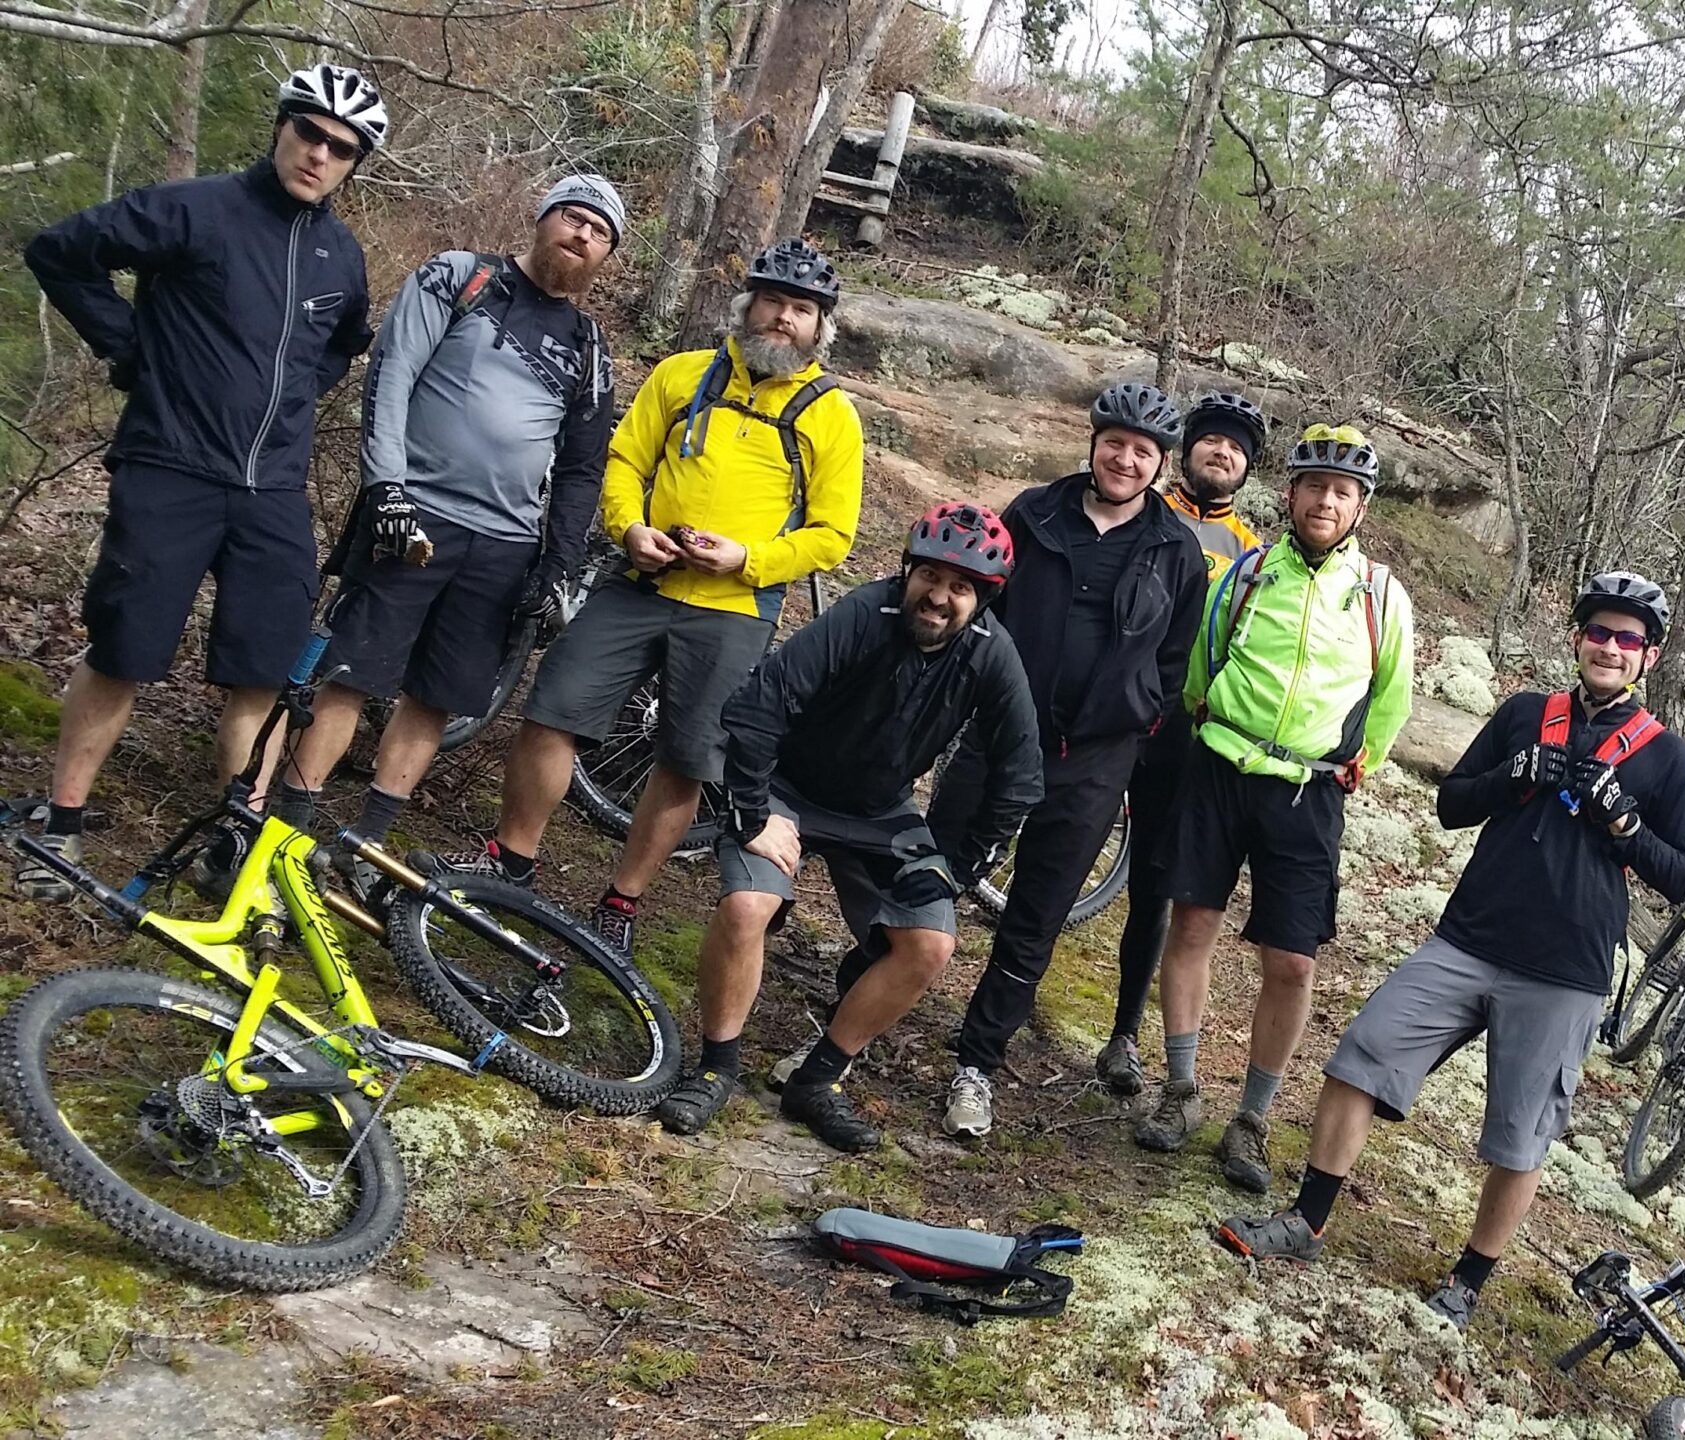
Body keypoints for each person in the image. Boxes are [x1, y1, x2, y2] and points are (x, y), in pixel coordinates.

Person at [1212, 572, 1685, 1331]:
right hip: (1468, 939)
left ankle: (1468, 1283)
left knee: (1520, 1135)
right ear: (1578, 639)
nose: (1609, 647)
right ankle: (1306, 1223)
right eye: (1599, 633)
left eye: (1627, 639)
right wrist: (1513, 777)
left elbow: (1683, 877)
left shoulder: (1665, 759)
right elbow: (1449, 805)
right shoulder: (1523, 715)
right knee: (1360, 1058)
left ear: (1650, 657)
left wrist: (1626, 826)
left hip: (1566, 970)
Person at [17, 63, 384, 895]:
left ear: (355, 163)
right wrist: (130, 348)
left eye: (342, 148)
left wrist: (293, 398)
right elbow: (61, 253)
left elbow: (342, 343)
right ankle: (63, 823)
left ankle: (237, 842)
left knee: (264, 668)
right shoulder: (197, 208)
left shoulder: (340, 253)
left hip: (273, 491)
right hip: (171, 465)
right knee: (126, 649)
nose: (320, 155)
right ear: (282, 127)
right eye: (310, 133)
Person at [435, 238, 863, 952]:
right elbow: (626, 460)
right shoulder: (683, 376)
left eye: (801, 310)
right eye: (773, 302)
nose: (784, 319)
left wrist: (749, 558)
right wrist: (629, 527)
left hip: (733, 610)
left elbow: (832, 535)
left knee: (687, 758)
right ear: (746, 306)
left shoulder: (831, 416)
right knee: (551, 710)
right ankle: (511, 859)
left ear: (821, 328)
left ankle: (622, 901)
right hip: (642, 582)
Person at [653, 503, 1044, 1151]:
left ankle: (818, 1080)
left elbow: (1020, 778)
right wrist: (754, 815)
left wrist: (961, 871)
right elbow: (759, 706)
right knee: (749, 905)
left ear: (984, 598)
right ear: (908, 572)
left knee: (930, 943)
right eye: (932, 576)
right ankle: (717, 1067)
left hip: (881, 812)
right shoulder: (866, 614)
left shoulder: (989, 654)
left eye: (961, 587)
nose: (940, 598)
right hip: (788, 789)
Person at [273, 175, 626, 850]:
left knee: (435, 696)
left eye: (599, 232)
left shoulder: (589, 348)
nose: (582, 235)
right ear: (542, 218)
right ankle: (288, 829)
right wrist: (386, 491)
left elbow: (583, 466)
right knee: (350, 675)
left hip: (505, 545)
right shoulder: (462, 280)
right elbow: (393, 373)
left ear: (606, 256)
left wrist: (558, 566)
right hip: (415, 515)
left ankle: (366, 842)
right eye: (573, 218)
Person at [1134, 423, 1415, 1193]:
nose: (1327, 500)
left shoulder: (1381, 598)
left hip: (1309, 788)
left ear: (1361, 507)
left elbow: (1391, 697)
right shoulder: (1249, 571)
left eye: (1343, 491)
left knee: (1292, 961)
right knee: (1191, 924)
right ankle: (1180, 1090)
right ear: (1289, 494)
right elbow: (1203, 661)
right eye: (1315, 486)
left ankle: (1252, 1119)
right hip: (1221, 765)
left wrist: (1365, 759)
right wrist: (1209, 719)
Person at [928, 382, 1208, 1138]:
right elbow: (984, 609)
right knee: (932, 874)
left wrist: (1138, 717)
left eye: (1142, 451)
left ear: (1160, 465)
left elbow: (1176, 658)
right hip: (1001, 735)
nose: (1125, 458)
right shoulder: (1035, 512)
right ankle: (861, 997)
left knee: (1036, 918)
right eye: (1115, 442)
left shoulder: (1177, 550)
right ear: (1094, 443)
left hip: (1094, 761)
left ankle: (977, 1065)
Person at [1096, 390, 1264, 1097]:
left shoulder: (1257, 552)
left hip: (1186, 732)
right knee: (1055, 853)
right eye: (1211, 440)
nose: (1221, 453)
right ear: (1185, 450)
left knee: (1154, 890)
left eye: (1236, 447)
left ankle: (1124, 1037)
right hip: (1110, 711)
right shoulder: (1145, 508)